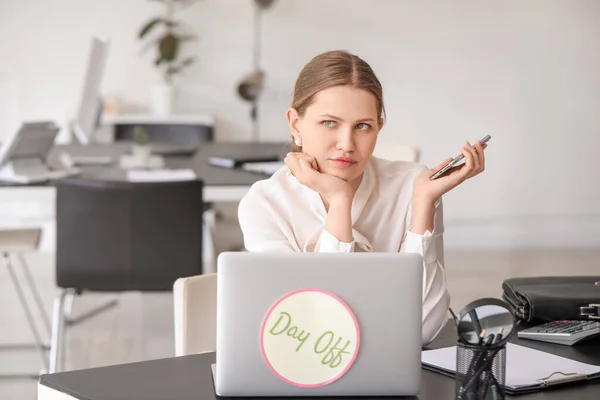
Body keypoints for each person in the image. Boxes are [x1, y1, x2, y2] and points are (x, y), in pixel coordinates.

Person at [237, 50, 487, 345]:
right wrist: (340, 201)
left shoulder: (414, 186)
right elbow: (318, 333)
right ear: (295, 124)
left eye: (362, 126)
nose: (346, 144)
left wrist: (423, 204)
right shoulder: (265, 204)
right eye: (329, 122)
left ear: (378, 127)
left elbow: (422, 330)